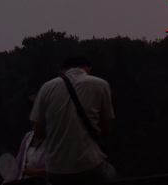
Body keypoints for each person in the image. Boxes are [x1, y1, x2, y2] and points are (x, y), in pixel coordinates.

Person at [30, 56, 116, 185]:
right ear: (88, 69)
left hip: (55, 171)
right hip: (90, 166)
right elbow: (107, 129)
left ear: (62, 71)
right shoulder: (101, 85)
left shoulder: (46, 88)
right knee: (111, 173)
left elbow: (38, 133)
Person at [7, 95, 47, 184]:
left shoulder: (53, 139)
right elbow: (18, 164)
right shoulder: (27, 137)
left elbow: (60, 169)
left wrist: (37, 171)